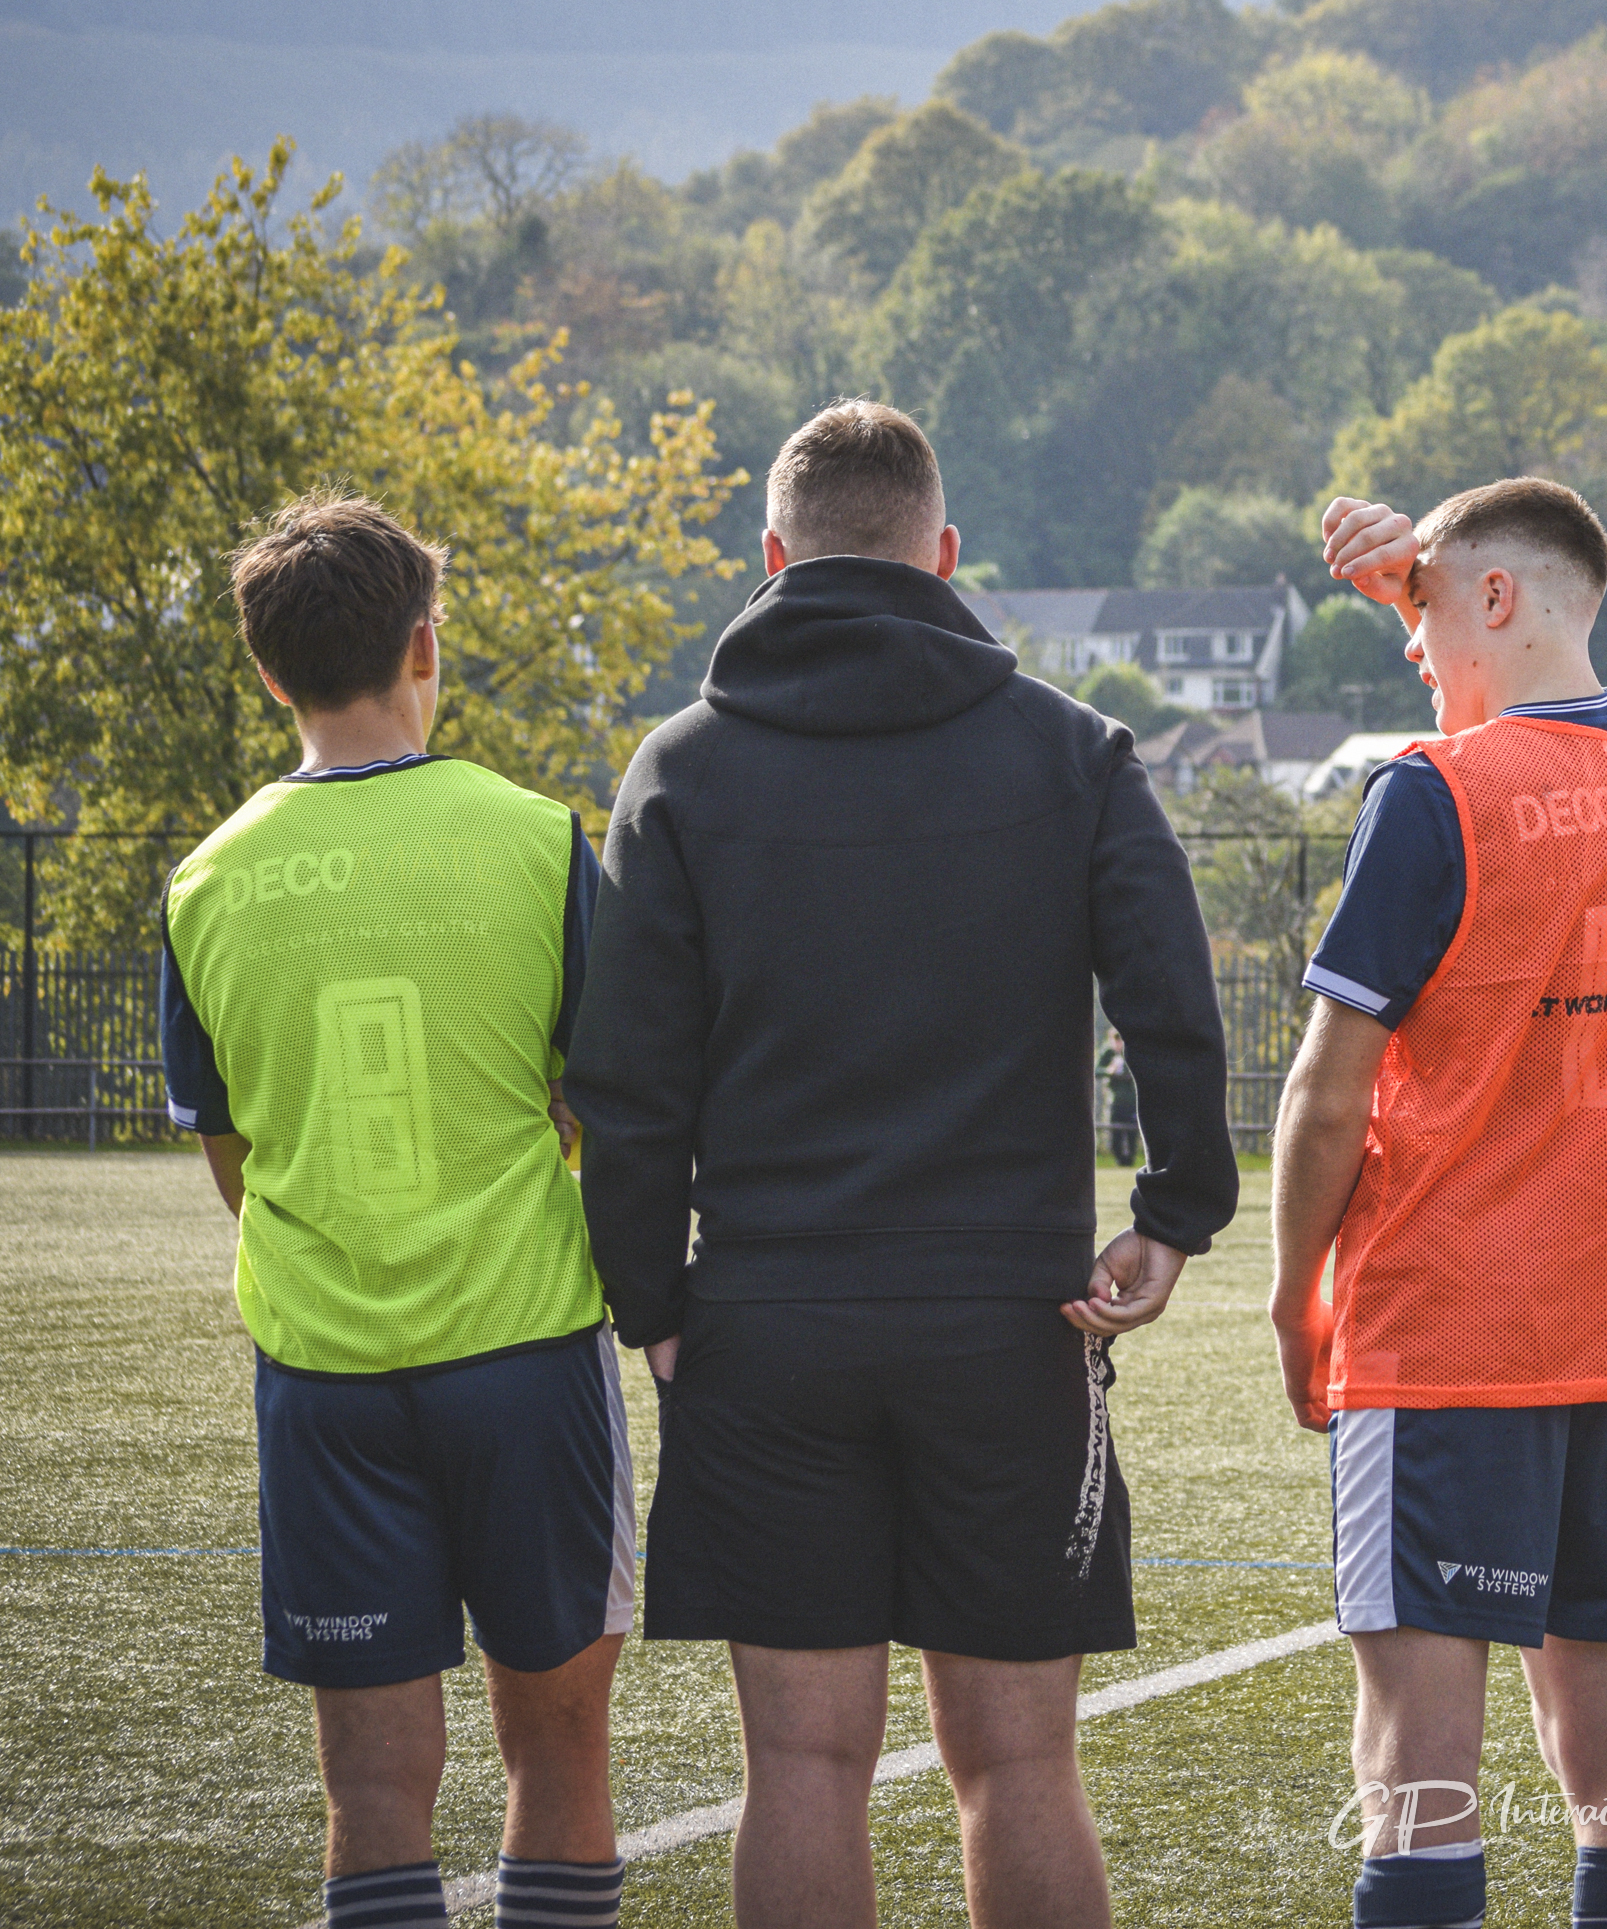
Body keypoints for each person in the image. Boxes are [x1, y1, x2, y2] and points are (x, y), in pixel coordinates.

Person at [565, 401, 1236, 1929]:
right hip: (1012, 1326)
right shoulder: (1072, 752)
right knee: (1018, 1764)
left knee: (802, 1762)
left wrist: (649, 1296)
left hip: (766, 1325)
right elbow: (1174, 1003)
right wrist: (1176, 1211)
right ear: (943, 556)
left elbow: (624, 1080)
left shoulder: (679, 770)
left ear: (769, 559)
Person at [1271, 478, 1607, 1929]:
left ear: (1493, 599)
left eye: (1424, 625)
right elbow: (1546, 769)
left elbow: (1325, 1091)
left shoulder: (1431, 792)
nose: (1414, 658)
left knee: (1418, 1768)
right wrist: (1428, 591)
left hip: (1446, 1324)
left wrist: (1297, 1302)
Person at [158, 495, 632, 1929]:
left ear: (265, 672)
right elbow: (613, 1108)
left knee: (369, 1790)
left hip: (322, 1375)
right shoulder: (535, 839)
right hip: (527, 1353)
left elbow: (228, 1151)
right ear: (427, 646)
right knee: (556, 1743)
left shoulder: (205, 880)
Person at [1098, 1035, 1139, 1167]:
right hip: (1115, 1101)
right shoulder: (1108, 1053)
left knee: (1132, 1133)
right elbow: (1097, 1070)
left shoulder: (1132, 1051)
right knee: (1116, 1133)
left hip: (1132, 1101)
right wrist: (1109, 1071)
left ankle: (1130, 1160)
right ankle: (1119, 1160)